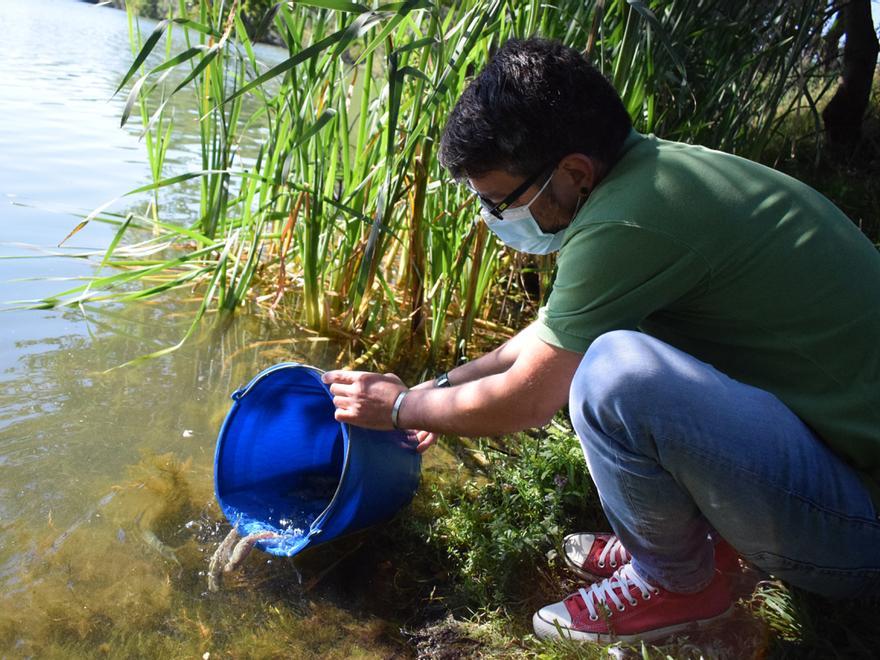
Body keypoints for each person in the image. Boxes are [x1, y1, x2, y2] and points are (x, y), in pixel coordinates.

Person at [322, 37, 880, 644]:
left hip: (859, 530)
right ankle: (693, 549)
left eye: (497, 199)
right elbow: (549, 334)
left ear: (574, 172)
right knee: (614, 342)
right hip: (834, 468)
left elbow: (526, 399)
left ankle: (678, 582)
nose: (490, 215)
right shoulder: (654, 177)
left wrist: (399, 408)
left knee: (614, 368)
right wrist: (439, 388)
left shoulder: (627, 221)